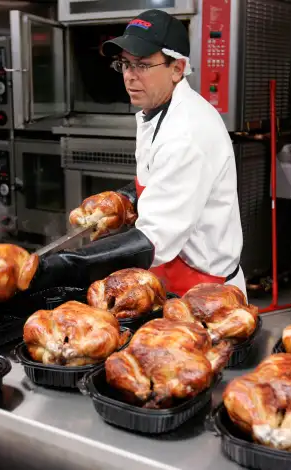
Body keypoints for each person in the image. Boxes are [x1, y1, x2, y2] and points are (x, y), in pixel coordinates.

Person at [33, 9, 246, 298]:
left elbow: (153, 240)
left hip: (205, 293)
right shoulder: (157, 111)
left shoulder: (187, 132)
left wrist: (66, 265)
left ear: (177, 68)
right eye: (125, 64)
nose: (130, 77)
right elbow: (162, 180)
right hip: (170, 277)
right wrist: (125, 200)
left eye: (143, 65)